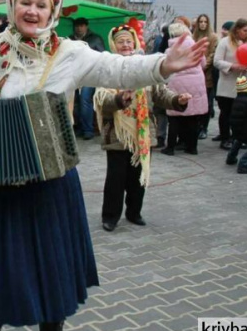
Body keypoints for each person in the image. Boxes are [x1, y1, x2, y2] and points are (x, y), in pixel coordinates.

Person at [0, 0, 207, 331]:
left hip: (51, 182)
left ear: (53, 11)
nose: (32, 11)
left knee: (52, 266)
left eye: (40, 5)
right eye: (24, 3)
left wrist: (164, 64)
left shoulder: (71, 54)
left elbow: (120, 69)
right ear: (13, 6)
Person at [94, 24, 189, 232]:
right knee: (115, 179)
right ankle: (110, 216)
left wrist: (178, 100)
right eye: (121, 41)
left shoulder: (145, 66)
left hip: (143, 132)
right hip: (118, 134)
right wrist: (119, 99)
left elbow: (160, 94)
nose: (125, 45)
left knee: (138, 178)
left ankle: (134, 212)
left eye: (129, 41)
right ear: (114, 45)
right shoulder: (107, 67)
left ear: (135, 42)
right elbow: (101, 101)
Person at [160, 23, 207, 156]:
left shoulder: (170, 50)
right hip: (196, 82)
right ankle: (192, 147)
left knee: (174, 117)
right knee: (193, 118)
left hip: (176, 82)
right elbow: (203, 63)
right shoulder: (195, 46)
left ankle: (170, 147)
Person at [213, 19, 247, 150]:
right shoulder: (225, 42)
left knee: (241, 114)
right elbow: (217, 61)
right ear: (237, 29)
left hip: (243, 83)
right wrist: (232, 66)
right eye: (245, 30)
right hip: (227, 83)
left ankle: (238, 138)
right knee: (226, 112)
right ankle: (225, 137)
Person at [70, 17, 105, 140]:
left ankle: (88, 129)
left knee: (85, 100)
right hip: (74, 76)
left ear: (86, 26)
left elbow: (102, 56)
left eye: (81, 26)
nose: (79, 28)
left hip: (90, 75)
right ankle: (78, 127)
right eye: (77, 26)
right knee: (74, 102)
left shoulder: (95, 38)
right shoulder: (70, 39)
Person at [192, 14, 218, 139]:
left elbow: (213, 54)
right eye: (200, 21)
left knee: (207, 103)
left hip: (207, 75)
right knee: (195, 102)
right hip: (194, 74)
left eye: (205, 22)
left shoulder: (213, 37)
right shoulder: (193, 36)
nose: (202, 24)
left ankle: (204, 128)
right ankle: (196, 127)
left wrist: (203, 65)